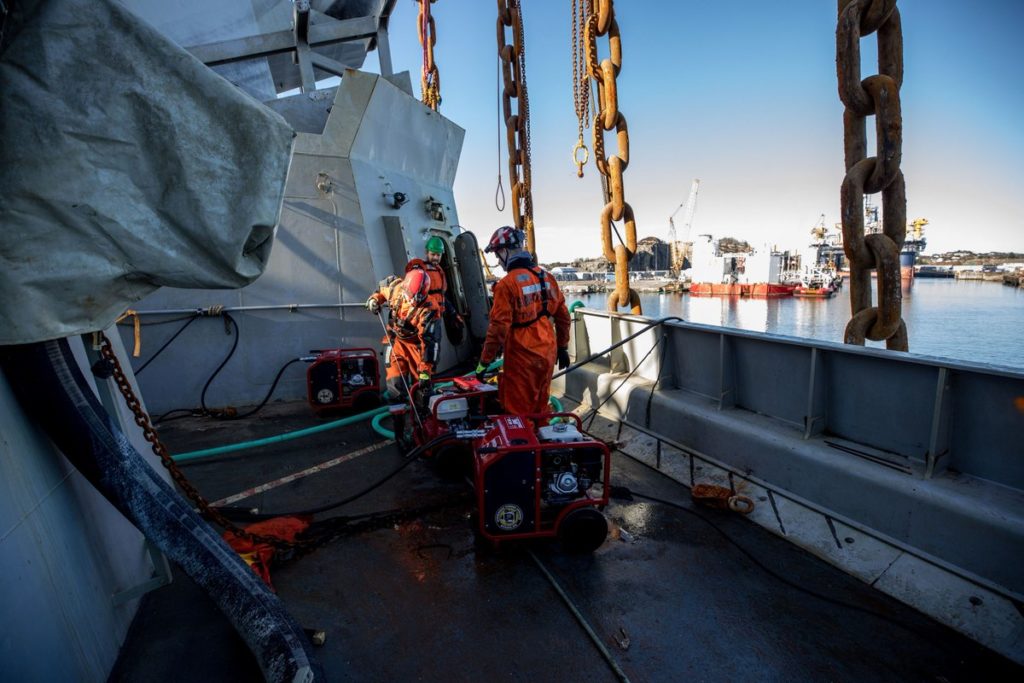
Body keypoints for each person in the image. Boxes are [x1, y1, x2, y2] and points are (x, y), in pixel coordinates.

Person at [475, 226, 571, 416]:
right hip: (547, 352)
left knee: (518, 411)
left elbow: (498, 329)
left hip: (522, 355)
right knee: (540, 405)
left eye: (497, 255)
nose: (498, 261)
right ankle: (542, 438)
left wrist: (484, 363)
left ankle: (526, 443)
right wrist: (562, 347)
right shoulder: (547, 278)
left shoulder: (506, 285)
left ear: (505, 251)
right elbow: (563, 317)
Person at [366, 270, 441, 407]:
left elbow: (429, 343)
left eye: (416, 299)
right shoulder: (395, 289)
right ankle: (398, 421)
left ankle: (422, 421)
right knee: (395, 385)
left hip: (417, 347)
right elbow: (381, 291)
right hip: (396, 342)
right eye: (410, 296)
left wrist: (425, 371)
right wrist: (374, 299)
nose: (412, 301)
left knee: (422, 389)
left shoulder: (429, 310)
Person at [406, 235, 465, 345]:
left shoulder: (439, 271)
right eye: (432, 254)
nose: (435, 257)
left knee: (434, 345)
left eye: (438, 255)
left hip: (437, 316)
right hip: (424, 317)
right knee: (429, 348)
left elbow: (442, 295)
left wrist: (453, 313)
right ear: (426, 253)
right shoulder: (420, 271)